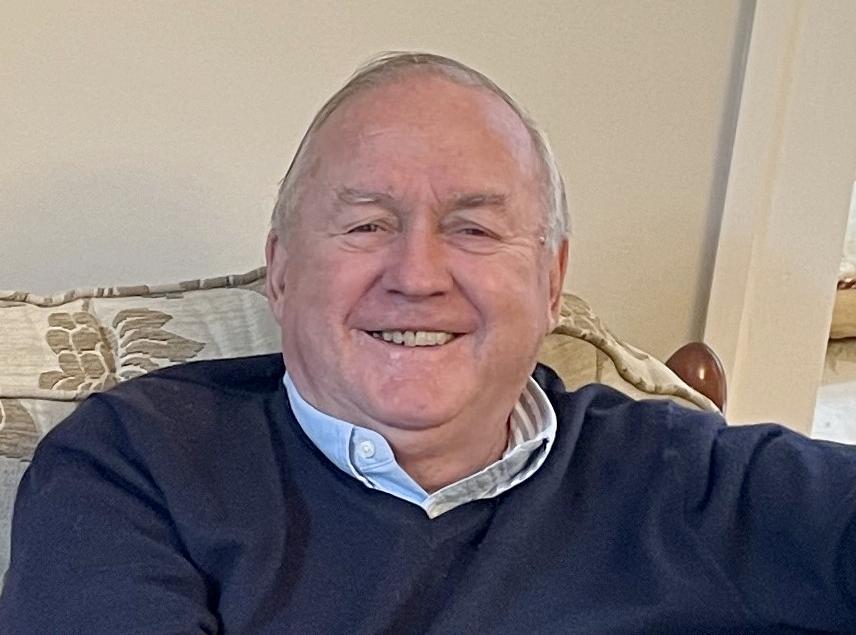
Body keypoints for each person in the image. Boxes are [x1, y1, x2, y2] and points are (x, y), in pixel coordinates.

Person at [1, 52, 855, 633]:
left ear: (551, 281)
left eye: (473, 228)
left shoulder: (685, 475)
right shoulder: (133, 463)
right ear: (282, 270)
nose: (417, 274)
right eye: (367, 224)